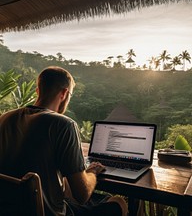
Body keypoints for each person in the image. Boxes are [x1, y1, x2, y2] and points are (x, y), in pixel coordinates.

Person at [0, 66, 128, 216]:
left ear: (38, 90)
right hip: (46, 212)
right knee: (119, 202)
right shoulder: (64, 125)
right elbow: (82, 195)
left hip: (9, 209)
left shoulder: (4, 118)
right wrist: (92, 171)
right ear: (64, 93)